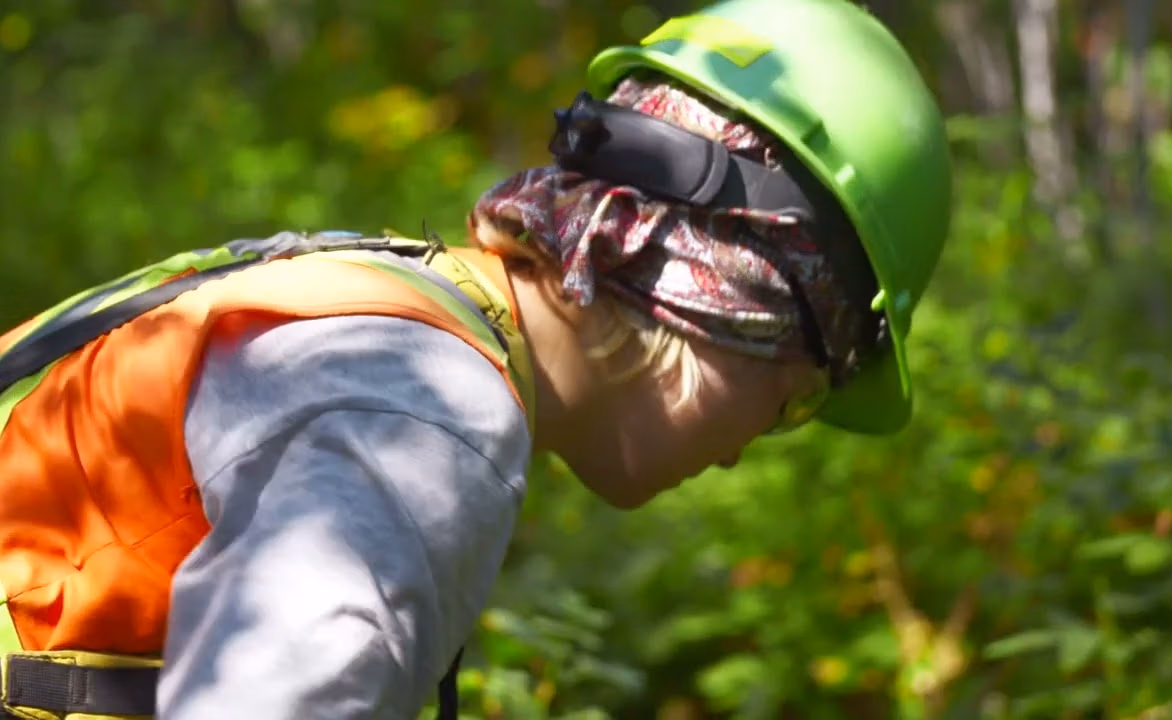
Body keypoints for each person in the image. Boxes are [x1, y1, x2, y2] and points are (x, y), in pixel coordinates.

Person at [0, 0, 951, 717]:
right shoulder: (425, 414)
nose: (746, 453)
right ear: (721, 303)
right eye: (792, 403)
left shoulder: (378, 300)